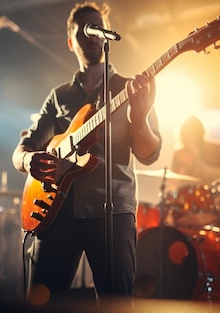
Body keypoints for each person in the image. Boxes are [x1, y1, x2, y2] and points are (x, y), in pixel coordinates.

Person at [11, 1, 161, 308]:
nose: (92, 36)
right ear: (71, 42)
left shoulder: (130, 88)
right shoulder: (59, 96)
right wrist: (28, 161)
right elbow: (21, 151)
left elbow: (149, 154)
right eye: (84, 31)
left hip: (112, 213)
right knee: (41, 302)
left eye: (97, 29)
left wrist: (140, 117)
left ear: (106, 37)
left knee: (116, 304)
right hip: (55, 211)